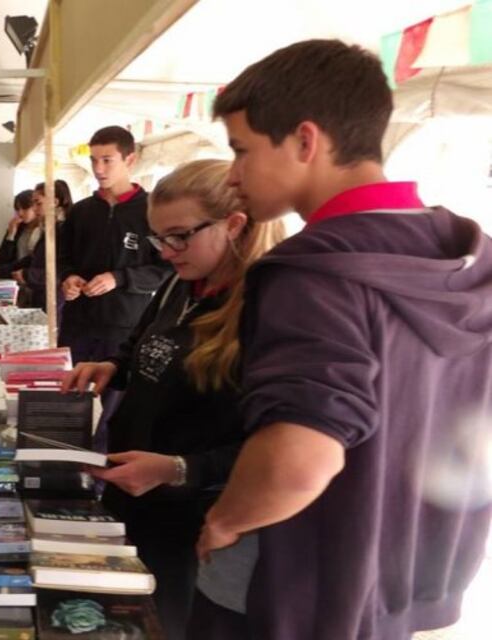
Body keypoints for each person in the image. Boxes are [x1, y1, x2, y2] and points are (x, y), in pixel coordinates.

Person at [189, 39, 492, 640]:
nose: (233, 175)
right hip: (407, 578)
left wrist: (225, 519)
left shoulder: (313, 274)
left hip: (293, 582)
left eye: (242, 150)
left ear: (306, 141)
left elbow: (303, 456)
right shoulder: (465, 256)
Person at [62, 159, 285, 637]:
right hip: (138, 494)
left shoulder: (271, 309)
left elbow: (276, 448)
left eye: (179, 236)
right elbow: (141, 343)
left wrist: (177, 468)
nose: (165, 252)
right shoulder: (180, 282)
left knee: (171, 621)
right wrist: (114, 368)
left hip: (199, 519)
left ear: (234, 225)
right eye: (158, 238)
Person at [58, 125, 172, 448]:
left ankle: (102, 475)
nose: (98, 169)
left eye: (107, 160)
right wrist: (68, 279)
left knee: (111, 410)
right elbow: (63, 258)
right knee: (71, 401)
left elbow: (166, 269)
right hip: (78, 324)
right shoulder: (82, 212)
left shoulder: (152, 211)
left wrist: (119, 278)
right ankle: (67, 466)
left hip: (124, 327)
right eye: (94, 160)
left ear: (130, 159)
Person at [14, 179, 73, 310]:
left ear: (55, 202)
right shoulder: (50, 229)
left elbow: (61, 270)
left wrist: (28, 275)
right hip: (42, 295)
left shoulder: (64, 230)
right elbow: (34, 259)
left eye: (38, 203)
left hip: (55, 300)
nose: (34, 209)